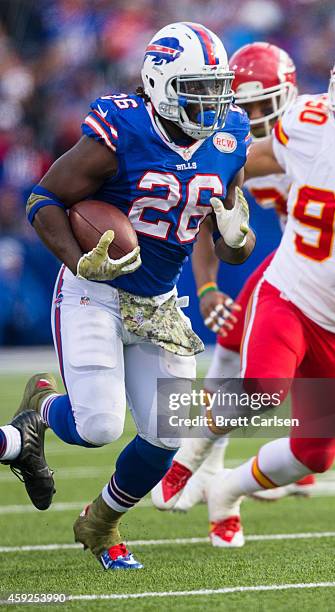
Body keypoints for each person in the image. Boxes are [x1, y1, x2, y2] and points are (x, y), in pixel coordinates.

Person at [0, 22, 255, 568]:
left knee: (169, 434)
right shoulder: (123, 128)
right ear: (160, 84)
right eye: (197, 88)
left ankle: (103, 520)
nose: (213, 102)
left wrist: (237, 238)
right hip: (95, 292)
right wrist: (78, 260)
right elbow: (42, 198)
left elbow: (230, 238)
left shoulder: (230, 135)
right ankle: (40, 412)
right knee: (97, 426)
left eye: (217, 87)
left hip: (161, 304)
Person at [154, 38, 335, 547]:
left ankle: (227, 488)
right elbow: (229, 169)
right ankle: (188, 454)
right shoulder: (307, 125)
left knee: (316, 453)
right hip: (289, 285)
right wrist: (184, 179)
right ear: (333, 93)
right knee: (259, 383)